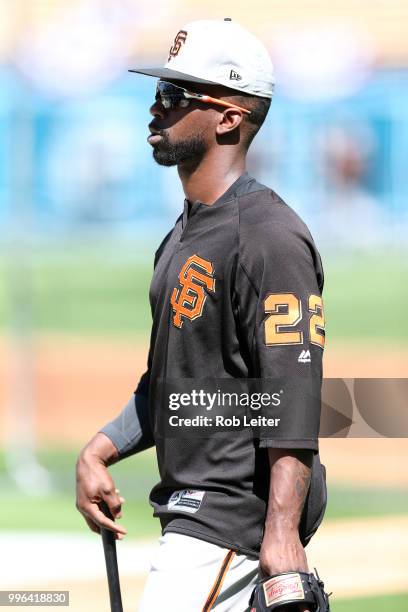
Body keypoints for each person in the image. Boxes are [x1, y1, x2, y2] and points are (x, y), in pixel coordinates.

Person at [76, 18, 327, 612]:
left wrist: (282, 531)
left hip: (229, 520)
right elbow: (171, 382)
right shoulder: (186, 234)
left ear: (228, 118)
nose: (155, 110)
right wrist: (101, 449)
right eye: (158, 93)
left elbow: (293, 390)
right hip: (195, 515)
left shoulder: (269, 236)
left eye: (174, 96)